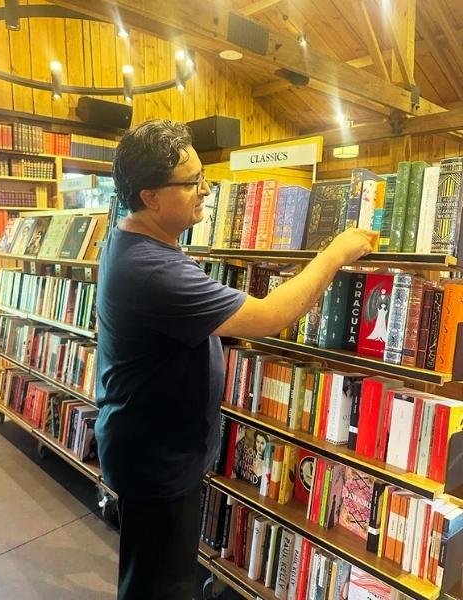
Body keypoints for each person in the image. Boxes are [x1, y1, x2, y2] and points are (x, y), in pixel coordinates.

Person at [95, 119, 373, 600]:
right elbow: (269, 316)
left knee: (154, 573)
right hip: (157, 459)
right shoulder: (151, 267)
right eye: (192, 182)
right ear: (151, 196)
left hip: (150, 447)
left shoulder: (136, 243)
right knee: (159, 587)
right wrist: (335, 254)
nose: (206, 190)